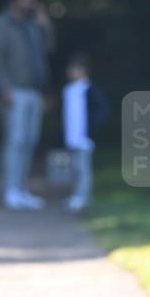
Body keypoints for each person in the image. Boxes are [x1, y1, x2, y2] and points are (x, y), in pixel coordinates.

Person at [0, 0, 55, 210]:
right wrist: (4, 88)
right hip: (14, 91)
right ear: (14, 0)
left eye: (32, 0)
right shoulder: (2, 23)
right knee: (15, 141)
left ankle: (22, 190)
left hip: (35, 90)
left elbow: (48, 48)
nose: (29, 4)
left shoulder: (33, 23)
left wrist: (46, 26)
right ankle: (11, 191)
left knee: (30, 141)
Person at [61, 54, 109, 213]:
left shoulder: (89, 90)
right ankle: (76, 194)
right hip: (71, 137)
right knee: (74, 168)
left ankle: (83, 196)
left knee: (83, 168)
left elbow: (101, 110)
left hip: (83, 138)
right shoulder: (68, 90)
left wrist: (91, 129)